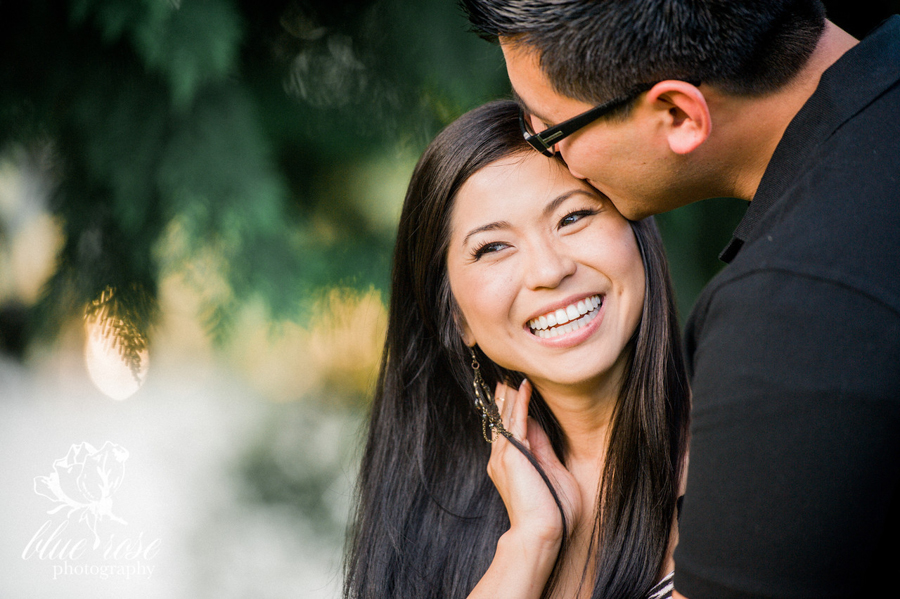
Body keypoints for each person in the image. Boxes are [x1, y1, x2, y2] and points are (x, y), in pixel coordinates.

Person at [462, 1, 900, 598]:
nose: (545, 148)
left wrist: (525, 553)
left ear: (677, 114)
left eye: (552, 129)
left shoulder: (792, 311)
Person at [343, 100, 690, 599]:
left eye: (572, 217)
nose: (549, 270)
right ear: (456, 317)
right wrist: (530, 542)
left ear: (637, 231)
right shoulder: (440, 518)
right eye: (494, 247)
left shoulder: (748, 458)